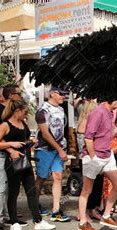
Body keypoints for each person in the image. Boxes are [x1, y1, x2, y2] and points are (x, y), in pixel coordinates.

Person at [0, 100, 56, 230]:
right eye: (24, 112)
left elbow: (22, 142)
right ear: (17, 111)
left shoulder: (23, 123)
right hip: (12, 162)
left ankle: (38, 220)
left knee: (31, 191)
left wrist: (31, 142)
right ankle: (14, 222)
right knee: (13, 192)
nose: (26, 115)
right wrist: (10, 145)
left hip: (25, 161)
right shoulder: (5, 125)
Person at [78, 100, 117, 230]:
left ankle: (106, 216)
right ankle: (82, 222)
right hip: (94, 156)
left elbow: (107, 135)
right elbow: (88, 137)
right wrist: (93, 157)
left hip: (107, 155)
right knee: (87, 190)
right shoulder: (98, 112)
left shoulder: (109, 113)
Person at [34, 86, 71, 222]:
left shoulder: (61, 110)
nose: (63, 96)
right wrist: (60, 149)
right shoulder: (43, 111)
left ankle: (56, 210)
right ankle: (35, 205)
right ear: (52, 94)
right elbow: (45, 133)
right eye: (61, 94)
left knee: (58, 176)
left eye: (65, 94)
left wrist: (63, 147)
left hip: (59, 148)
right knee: (41, 178)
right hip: (44, 148)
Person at [76, 99, 103, 222]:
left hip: (96, 157)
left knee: (98, 185)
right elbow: (86, 142)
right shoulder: (84, 123)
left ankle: (92, 209)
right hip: (88, 158)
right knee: (87, 187)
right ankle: (83, 213)